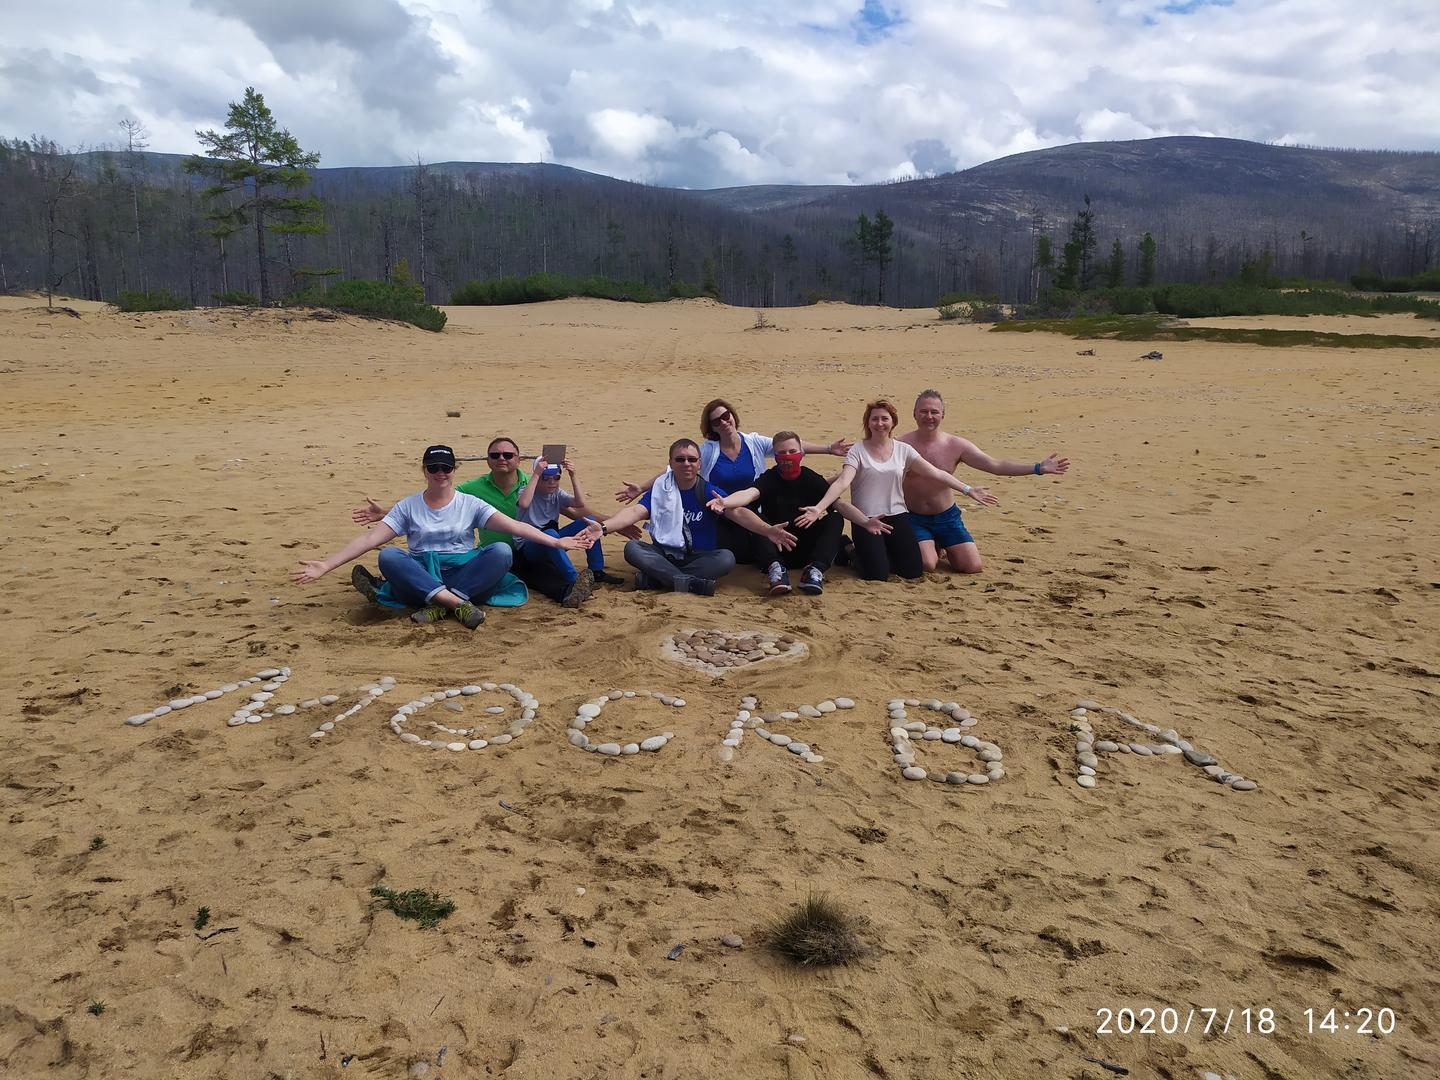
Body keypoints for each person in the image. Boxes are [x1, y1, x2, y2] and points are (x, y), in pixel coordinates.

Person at [295, 444, 595, 629]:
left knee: (501, 551)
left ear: (454, 469)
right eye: (434, 467)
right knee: (389, 555)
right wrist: (326, 565)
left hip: (465, 572)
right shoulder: (408, 505)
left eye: (446, 467)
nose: (441, 473)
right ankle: (456, 604)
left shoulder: (470, 503)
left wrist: (556, 541)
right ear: (424, 470)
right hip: (425, 572)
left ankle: (442, 604)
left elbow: (516, 527)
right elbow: (368, 540)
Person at [354, 436, 596, 607]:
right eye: (495, 455)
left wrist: (606, 523)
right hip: (494, 556)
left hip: (525, 548)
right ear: (488, 460)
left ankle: (573, 588)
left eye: (508, 455)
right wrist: (386, 513)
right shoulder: (473, 489)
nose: (502, 459)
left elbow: (571, 509)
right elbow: (437, 501)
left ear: (519, 459)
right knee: (513, 566)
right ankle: (399, 590)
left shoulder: (538, 482)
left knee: (536, 569)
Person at [614, 398, 851, 560]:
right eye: (716, 421)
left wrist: (828, 449)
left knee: (763, 542)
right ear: (712, 427)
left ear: (733, 416)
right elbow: (674, 468)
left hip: (753, 509)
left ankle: (835, 546)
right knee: (739, 556)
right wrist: (641, 488)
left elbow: (788, 447)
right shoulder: (708, 451)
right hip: (722, 511)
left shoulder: (753, 442)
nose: (723, 422)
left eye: (725, 416)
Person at [796, 400, 998, 581]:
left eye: (885, 418)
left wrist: (967, 489)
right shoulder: (858, 451)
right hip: (866, 518)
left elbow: (936, 473)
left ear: (893, 422)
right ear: (868, 423)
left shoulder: (903, 450)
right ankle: (849, 549)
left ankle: (878, 552)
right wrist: (819, 508)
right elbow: (842, 482)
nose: (880, 423)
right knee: (877, 574)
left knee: (913, 571)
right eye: (875, 419)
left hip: (897, 515)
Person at [899, 388, 1070, 573]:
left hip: (947, 517)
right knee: (927, 564)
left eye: (934, 412)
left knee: (972, 567)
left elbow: (994, 465)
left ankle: (939, 543)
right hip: (914, 517)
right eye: (924, 411)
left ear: (943, 415)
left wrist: (1037, 468)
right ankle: (929, 546)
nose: (929, 416)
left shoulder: (955, 445)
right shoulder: (901, 445)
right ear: (914, 414)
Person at [707, 430, 886, 596]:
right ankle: (776, 571)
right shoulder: (769, 478)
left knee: (835, 517)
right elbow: (749, 494)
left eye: (792, 451)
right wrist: (725, 502)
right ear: (775, 456)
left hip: (807, 548)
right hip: (776, 546)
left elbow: (839, 505)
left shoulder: (810, 479)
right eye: (782, 453)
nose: (787, 457)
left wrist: (865, 522)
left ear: (801, 453)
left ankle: (815, 570)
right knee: (756, 517)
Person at [601, 438, 736, 595]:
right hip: (664, 555)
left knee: (726, 558)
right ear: (670, 463)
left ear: (699, 464)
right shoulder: (660, 491)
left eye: (692, 459)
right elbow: (635, 512)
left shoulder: (708, 491)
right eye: (680, 459)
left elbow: (737, 511)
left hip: (698, 557)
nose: (686, 463)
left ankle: (657, 579)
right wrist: (603, 527)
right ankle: (690, 583)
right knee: (632, 548)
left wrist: (762, 528)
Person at [513, 454, 627, 606]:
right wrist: (536, 474)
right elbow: (524, 504)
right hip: (529, 549)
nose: (551, 483)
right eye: (546, 478)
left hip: (553, 542)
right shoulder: (525, 491)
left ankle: (597, 571)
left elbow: (580, 503)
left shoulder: (556, 493)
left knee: (589, 522)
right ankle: (574, 580)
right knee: (551, 534)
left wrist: (573, 475)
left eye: (556, 478)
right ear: (537, 477)